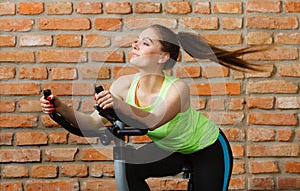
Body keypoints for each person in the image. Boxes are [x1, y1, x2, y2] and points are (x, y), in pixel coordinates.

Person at [40, 24, 267, 190]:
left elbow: (152, 120)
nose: (135, 45)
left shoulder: (177, 88)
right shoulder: (123, 84)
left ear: (162, 57)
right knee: (130, 169)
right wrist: (60, 108)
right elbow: (91, 123)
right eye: (137, 40)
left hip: (207, 150)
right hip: (172, 148)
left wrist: (118, 105)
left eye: (145, 43)